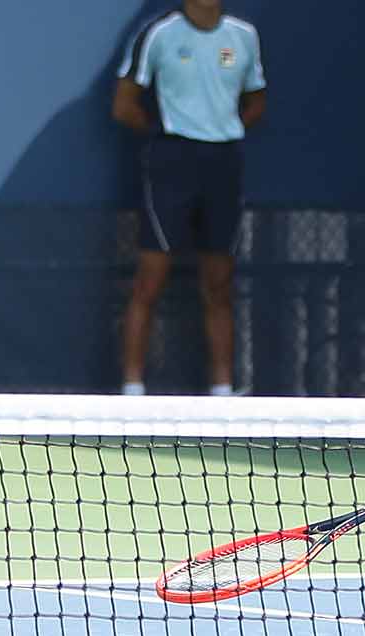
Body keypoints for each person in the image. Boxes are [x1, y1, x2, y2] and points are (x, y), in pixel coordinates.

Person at [112, 0, 266, 397]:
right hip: (171, 163)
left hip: (224, 164)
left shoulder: (244, 36)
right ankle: (132, 390)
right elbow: (124, 103)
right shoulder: (159, 33)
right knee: (150, 278)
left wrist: (220, 130)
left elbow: (257, 100)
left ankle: (222, 391)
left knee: (219, 282)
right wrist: (171, 136)